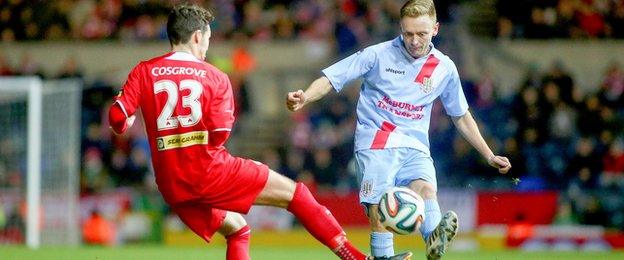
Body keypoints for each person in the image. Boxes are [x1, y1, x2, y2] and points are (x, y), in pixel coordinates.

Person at [107, 4, 411, 260]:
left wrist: (130, 124)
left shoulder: (144, 70)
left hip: (172, 184)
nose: (208, 46)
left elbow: (117, 117)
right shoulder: (214, 77)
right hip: (208, 173)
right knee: (297, 194)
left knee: (238, 228)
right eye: (208, 39)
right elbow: (220, 132)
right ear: (198, 36)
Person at [286, 0, 512, 259]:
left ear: (436, 29)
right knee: (380, 208)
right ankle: (385, 256)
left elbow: (460, 115)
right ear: (400, 28)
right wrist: (305, 96)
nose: (414, 40)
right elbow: (332, 78)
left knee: (427, 190)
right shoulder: (377, 54)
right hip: (376, 142)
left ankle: (434, 241)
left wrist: (487, 153)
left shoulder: (444, 67)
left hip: (415, 145)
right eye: (408, 33)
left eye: (421, 34)